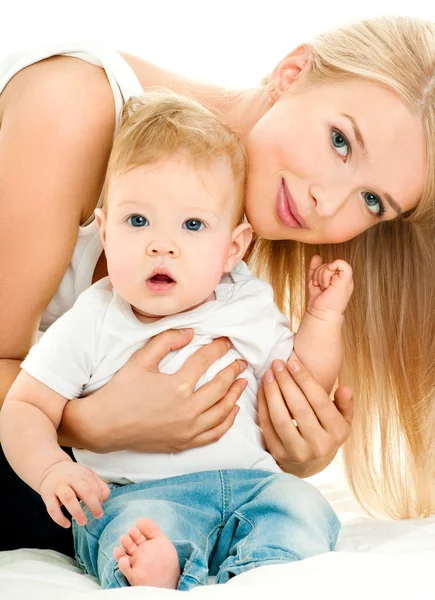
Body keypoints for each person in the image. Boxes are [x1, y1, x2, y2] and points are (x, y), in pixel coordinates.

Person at [0, 16, 433, 556]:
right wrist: (94, 427)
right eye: (340, 141)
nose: (329, 199)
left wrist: (294, 446)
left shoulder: (236, 252)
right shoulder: (71, 109)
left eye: (372, 201)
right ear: (291, 73)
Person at [1, 91, 352, 590]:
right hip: (143, 495)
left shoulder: (247, 303)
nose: (161, 244)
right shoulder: (96, 318)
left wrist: (322, 319)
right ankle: (160, 575)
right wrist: (52, 469)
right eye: (137, 220)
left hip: (253, 487)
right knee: (133, 534)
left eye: (192, 225)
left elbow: (300, 379)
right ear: (105, 231)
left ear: (233, 247)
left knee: (300, 505)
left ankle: (263, 576)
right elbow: (23, 407)